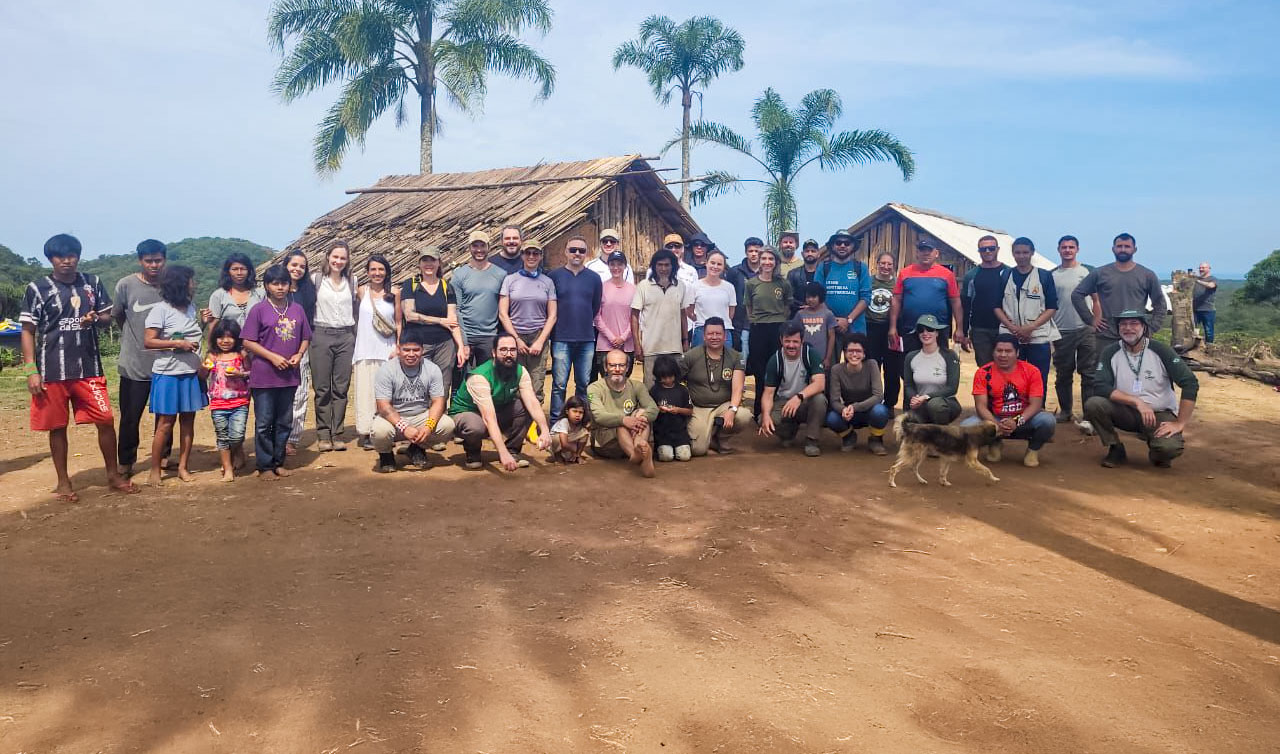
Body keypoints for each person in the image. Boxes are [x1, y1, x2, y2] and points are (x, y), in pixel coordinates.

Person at [20, 233, 138, 501]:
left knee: (106, 421)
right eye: (60, 256)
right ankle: (63, 483)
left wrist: (96, 318)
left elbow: (108, 317)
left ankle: (113, 475)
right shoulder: (37, 288)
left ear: (78, 257)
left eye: (72, 255)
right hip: (52, 371)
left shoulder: (92, 283)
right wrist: (31, 370)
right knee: (57, 426)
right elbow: (28, 331)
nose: (67, 261)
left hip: (89, 369)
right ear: (51, 259)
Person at [1084, 310, 1199, 468]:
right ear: (1118, 329)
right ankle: (1115, 447)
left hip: (1159, 413)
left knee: (1168, 449)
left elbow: (1190, 383)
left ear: (1144, 327)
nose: (1128, 328)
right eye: (1123, 324)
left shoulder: (1160, 350)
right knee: (1094, 404)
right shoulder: (1110, 352)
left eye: (1134, 323)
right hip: (1126, 411)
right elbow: (1100, 386)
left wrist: (1180, 423)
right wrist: (1137, 402)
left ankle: (1157, 450)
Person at [243, 264, 312, 478]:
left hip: (289, 376)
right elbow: (247, 341)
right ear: (266, 286)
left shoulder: (296, 309)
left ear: (290, 286)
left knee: (284, 421)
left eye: (284, 283)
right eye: (275, 283)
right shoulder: (259, 310)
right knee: (264, 422)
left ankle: (278, 461)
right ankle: (264, 465)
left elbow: (306, 336)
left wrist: (299, 354)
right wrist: (272, 357)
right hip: (264, 375)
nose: (280, 287)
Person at [142, 264, 209, 485]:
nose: (194, 284)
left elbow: (193, 336)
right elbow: (149, 341)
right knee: (165, 423)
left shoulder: (190, 307)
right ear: (181, 283)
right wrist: (175, 343)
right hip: (168, 373)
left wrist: (203, 324)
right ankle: (155, 470)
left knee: (188, 422)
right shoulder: (160, 310)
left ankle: (183, 467)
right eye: (191, 280)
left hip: (190, 372)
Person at [449, 333, 553, 471]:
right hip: (467, 414)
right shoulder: (480, 377)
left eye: (512, 350)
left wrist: (545, 431)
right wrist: (501, 453)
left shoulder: (520, 371)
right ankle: (473, 452)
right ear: (493, 353)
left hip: (495, 411)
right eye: (503, 350)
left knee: (525, 406)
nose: (508, 354)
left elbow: (533, 403)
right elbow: (488, 418)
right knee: (475, 426)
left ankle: (513, 451)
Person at [111, 238, 170, 478]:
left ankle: (164, 455)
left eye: (158, 260)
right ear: (140, 261)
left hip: (167, 363)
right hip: (135, 364)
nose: (154, 265)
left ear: (164, 260)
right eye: (149, 261)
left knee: (165, 414)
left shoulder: (171, 285)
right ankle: (125, 461)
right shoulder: (126, 285)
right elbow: (118, 317)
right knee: (130, 417)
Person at [370, 334, 457, 473]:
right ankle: (386, 455)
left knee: (447, 425)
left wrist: (428, 426)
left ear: (422, 350)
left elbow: (438, 401)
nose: (411, 354)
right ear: (399, 350)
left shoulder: (433, 369)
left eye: (416, 350)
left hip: (420, 415)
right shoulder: (386, 370)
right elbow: (383, 406)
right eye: (406, 350)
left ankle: (416, 449)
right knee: (380, 431)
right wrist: (404, 427)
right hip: (392, 417)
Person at [1071, 233, 1166, 355]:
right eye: (1119, 246)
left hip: (1136, 337)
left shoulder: (1147, 275)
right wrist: (1090, 320)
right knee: (1106, 372)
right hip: (1107, 336)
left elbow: (1160, 304)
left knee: (1136, 372)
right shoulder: (1100, 273)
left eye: (1127, 246)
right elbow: (1077, 295)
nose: (1123, 249)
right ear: (1113, 249)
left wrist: (1152, 328)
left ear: (1134, 249)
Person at [970, 334, 1056, 467]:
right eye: (999, 351)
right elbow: (980, 406)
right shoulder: (983, 372)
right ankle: (994, 443)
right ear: (993, 352)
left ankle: (1033, 449)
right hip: (996, 419)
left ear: (1017, 353)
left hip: (1024, 419)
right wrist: (996, 425)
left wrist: (1017, 421)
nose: (1003, 355)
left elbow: (1036, 404)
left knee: (1047, 420)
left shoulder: (1032, 371)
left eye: (1008, 351)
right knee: (968, 425)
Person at [309, 240, 358, 452]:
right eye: (335, 257)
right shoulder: (316, 280)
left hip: (346, 336)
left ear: (347, 261)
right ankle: (322, 433)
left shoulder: (353, 281)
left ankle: (337, 433)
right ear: (328, 256)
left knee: (341, 387)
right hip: (320, 334)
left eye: (342, 258)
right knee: (322, 388)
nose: (338, 261)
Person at [548, 236, 602, 421]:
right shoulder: (554, 276)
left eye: (581, 250)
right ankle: (556, 422)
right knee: (559, 384)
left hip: (586, 339)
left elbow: (595, 307)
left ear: (587, 254)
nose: (577, 253)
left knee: (583, 384)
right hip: (561, 338)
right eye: (573, 250)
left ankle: (580, 420)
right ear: (566, 252)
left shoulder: (594, 278)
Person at [994, 236, 1058, 395]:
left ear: (1032, 253)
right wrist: (1014, 329)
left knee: (1038, 375)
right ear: (1013, 254)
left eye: (1025, 252)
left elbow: (1052, 307)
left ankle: (1038, 410)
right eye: (1017, 252)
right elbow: (996, 306)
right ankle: (1013, 408)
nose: (1021, 256)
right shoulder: (1005, 276)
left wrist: (1030, 328)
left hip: (1037, 335)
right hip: (1010, 335)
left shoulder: (1044, 276)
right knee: (1010, 375)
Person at [401, 246, 465, 400]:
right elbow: (409, 315)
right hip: (418, 344)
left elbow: (452, 320)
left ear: (439, 263)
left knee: (442, 385)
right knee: (417, 383)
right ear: (419, 264)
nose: (428, 264)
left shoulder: (446, 287)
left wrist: (461, 347)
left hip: (444, 344)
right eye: (425, 260)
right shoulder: (411, 285)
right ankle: (419, 420)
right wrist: (440, 321)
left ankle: (438, 421)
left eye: (432, 260)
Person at [498, 240, 557, 405]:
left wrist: (540, 341)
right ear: (522, 255)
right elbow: (503, 313)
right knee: (514, 381)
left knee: (536, 383)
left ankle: (534, 425)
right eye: (528, 253)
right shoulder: (510, 280)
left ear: (540, 256)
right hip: (515, 335)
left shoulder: (547, 282)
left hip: (538, 335)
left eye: (535, 253)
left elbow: (552, 315)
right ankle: (515, 425)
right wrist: (516, 340)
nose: (531, 257)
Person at [889, 236, 967, 357]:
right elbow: (896, 301)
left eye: (929, 250)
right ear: (917, 253)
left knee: (939, 365)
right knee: (910, 364)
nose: (926, 253)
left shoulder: (947, 274)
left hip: (939, 329)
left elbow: (955, 302)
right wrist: (893, 327)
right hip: (910, 328)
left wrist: (960, 328)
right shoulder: (905, 273)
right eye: (922, 250)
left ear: (936, 253)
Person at [352, 254, 400, 450]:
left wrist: (398, 346)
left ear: (386, 272)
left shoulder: (395, 292)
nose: (377, 273)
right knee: (364, 392)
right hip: (364, 348)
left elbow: (398, 322)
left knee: (386, 393)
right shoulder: (361, 291)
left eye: (381, 269)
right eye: (373, 269)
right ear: (367, 272)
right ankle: (366, 431)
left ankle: (385, 429)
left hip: (386, 350)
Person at [758, 323, 828, 457]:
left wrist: (799, 397)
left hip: (804, 401)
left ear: (802, 341)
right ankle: (788, 433)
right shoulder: (775, 360)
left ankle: (812, 441)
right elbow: (768, 393)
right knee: (763, 419)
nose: (791, 345)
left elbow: (820, 384)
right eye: (787, 341)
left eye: (795, 341)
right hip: (783, 403)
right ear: (781, 340)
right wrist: (766, 415)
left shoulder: (810, 355)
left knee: (819, 400)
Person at [679, 317, 744, 456]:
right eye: (710, 334)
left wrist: (732, 410)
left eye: (718, 334)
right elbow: (676, 381)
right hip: (698, 407)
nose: (714, 337)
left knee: (744, 416)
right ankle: (708, 437)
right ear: (704, 336)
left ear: (725, 336)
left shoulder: (735, 356)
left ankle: (720, 437)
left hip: (724, 405)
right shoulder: (691, 356)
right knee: (698, 450)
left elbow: (738, 388)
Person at [586, 348, 657, 477]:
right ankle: (639, 456)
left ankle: (638, 450)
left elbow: (653, 409)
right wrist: (624, 420)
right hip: (606, 442)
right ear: (605, 367)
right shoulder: (594, 388)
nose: (617, 369)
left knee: (642, 414)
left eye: (621, 365)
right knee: (622, 424)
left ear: (627, 367)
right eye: (612, 365)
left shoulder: (637, 386)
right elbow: (599, 416)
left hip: (632, 436)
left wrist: (642, 417)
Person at [1050, 235, 1099, 422]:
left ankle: (1089, 414)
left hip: (1086, 329)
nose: (1067, 250)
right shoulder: (1052, 275)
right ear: (1059, 250)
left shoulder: (1087, 272)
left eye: (1071, 247)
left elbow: (1096, 300)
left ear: (1077, 249)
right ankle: (1066, 411)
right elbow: (1049, 305)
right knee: (1063, 374)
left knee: (1089, 374)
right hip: (1062, 330)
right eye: (1064, 247)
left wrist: (1096, 322)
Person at [745, 248, 793, 420]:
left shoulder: (783, 284)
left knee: (777, 369)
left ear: (776, 262)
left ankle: (775, 409)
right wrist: (757, 321)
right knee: (759, 372)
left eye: (771, 259)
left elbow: (787, 306)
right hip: (758, 330)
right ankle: (758, 411)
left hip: (778, 329)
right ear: (759, 260)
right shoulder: (751, 284)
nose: (767, 262)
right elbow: (748, 307)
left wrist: (778, 320)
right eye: (763, 258)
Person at [632, 248, 690, 388]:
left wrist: (685, 340)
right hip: (651, 348)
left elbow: (683, 315)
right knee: (651, 388)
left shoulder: (680, 286)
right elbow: (634, 316)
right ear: (654, 266)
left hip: (674, 348)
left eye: (667, 265)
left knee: (674, 387)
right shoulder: (643, 286)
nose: (663, 268)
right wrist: (637, 345)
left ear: (673, 267)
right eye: (660, 265)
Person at [451, 230, 508, 370]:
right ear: (469, 248)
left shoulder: (500, 274)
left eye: (482, 246)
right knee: (462, 378)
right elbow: (456, 310)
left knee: (488, 377)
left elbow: (504, 307)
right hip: (466, 334)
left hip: (489, 336)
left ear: (488, 247)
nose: (479, 250)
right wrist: (463, 342)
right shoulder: (459, 275)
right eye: (475, 246)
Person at [825, 334, 890, 454]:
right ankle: (848, 437)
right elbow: (834, 400)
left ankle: (876, 439)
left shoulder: (872, 365)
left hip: (869, 410)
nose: (854, 355)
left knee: (880, 411)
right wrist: (843, 410)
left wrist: (855, 407)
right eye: (850, 351)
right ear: (844, 352)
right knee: (832, 418)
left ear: (864, 353)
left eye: (858, 351)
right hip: (848, 413)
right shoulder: (836, 370)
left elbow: (878, 395)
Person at [205, 318, 250, 481]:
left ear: (237, 338)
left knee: (237, 435)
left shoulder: (241, 354)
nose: (225, 341)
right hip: (218, 403)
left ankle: (238, 452)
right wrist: (204, 368)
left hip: (239, 402)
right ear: (215, 338)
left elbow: (251, 373)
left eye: (230, 337)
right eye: (221, 337)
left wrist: (240, 374)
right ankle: (228, 469)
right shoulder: (212, 356)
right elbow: (202, 376)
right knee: (222, 436)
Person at [281, 249, 316, 455]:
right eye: (294, 265)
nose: (298, 269)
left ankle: (292, 438)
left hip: (301, 348)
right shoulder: (276, 290)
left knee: (300, 394)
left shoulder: (308, 292)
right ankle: (276, 435)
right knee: (279, 394)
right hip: (276, 349)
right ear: (286, 265)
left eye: (302, 266)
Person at [815, 230, 873, 351]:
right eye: (838, 242)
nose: (842, 246)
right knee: (827, 366)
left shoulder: (860, 268)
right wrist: (834, 321)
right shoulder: (823, 267)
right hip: (828, 327)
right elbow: (817, 297)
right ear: (832, 246)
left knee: (856, 366)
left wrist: (848, 320)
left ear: (852, 247)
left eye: (847, 243)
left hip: (856, 327)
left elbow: (865, 298)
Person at [902, 314, 962, 424]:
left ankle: (941, 435)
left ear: (937, 333)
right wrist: (914, 398)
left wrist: (926, 397)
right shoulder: (910, 357)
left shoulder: (950, 355)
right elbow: (908, 385)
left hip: (945, 402)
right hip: (919, 403)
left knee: (935, 405)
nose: (925, 333)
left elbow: (952, 388)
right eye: (921, 330)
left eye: (930, 329)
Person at [960, 235, 1007, 368]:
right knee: (985, 369)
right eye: (983, 249)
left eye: (991, 248)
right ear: (979, 251)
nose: (987, 252)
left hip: (1004, 329)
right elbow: (966, 306)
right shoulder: (971, 276)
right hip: (980, 330)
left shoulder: (1008, 273)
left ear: (997, 249)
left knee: (1006, 368)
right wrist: (964, 333)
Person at [865, 251, 902, 411]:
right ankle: (871, 402)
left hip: (891, 329)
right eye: (883, 263)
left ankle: (890, 403)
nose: (886, 267)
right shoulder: (868, 282)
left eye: (889, 264)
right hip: (870, 327)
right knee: (871, 366)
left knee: (892, 368)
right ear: (877, 264)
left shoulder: (898, 284)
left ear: (893, 266)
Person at [594, 250, 637, 379]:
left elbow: (636, 317)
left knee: (624, 381)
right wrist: (612, 337)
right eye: (612, 264)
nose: (616, 268)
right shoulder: (601, 287)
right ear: (608, 266)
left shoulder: (633, 289)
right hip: (605, 344)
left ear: (625, 266)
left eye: (619, 264)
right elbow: (597, 316)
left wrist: (623, 337)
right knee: (607, 381)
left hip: (627, 345)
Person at [686, 250, 736, 347]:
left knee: (725, 361)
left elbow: (731, 313)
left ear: (723, 267)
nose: (715, 267)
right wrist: (699, 319)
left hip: (724, 331)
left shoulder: (729, 287)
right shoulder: (695, 286)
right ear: (706, 263)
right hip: (701, 331)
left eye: (719, 264)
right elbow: (689, 311)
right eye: (712, 263)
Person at [649, 355, 693, 462]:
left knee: (685, 456)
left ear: (675, 374)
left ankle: (682, 447)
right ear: (658, 376)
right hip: (662, 434)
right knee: (666, 457)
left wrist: (678, 410)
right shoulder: (654, 391)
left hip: (680, 433)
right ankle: (661, 448)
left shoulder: (682, 390)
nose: (668, 380)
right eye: (664, 378)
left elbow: (690, 411)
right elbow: (649, 411)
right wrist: (659, 409)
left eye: (670, 376)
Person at [208, 252, 264, 327]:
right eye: (234, 269)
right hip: (229, 338)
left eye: (243, 269)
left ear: (249, 271)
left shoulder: (260, 294)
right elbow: (213, 324)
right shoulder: (218, 295)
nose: (239, 273)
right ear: (228, 271)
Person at [790, 282, 836, 370]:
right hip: (803, 356)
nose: (810, 300)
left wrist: (828, 358)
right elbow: (795, 335)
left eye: (814, 297)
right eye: (808, 297)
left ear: (820, 297)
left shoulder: (828, 314)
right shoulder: (800, 314)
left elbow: (831, 337)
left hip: (821, 357)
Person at [730, 237, 762, 356]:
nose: (754, 254)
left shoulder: (768, 273)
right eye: (751, 251)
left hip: (761, 325)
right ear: (745, 252)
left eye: (757, 251)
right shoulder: (735, 272)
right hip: (739, 325)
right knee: (741, 362)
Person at [550, 394, 592, 464]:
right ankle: (558, 457)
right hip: (556, 445)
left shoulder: (580, 423)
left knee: (585, 433)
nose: (578, 415)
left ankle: (578, 456)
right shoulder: (564, 421)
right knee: (556, 438)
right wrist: (575, 449)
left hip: (569, 445)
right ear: (567, 411)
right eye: (575, 411)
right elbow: (564, 443)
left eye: (580, 412)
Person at [786, 239, 822, 316]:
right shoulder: (793, 274)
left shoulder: (825, 273)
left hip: (822, 317)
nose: (810, 253)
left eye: (813, 251)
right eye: (807, 251)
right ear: (802, 254)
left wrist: (816, 306)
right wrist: (805, 306)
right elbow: (788, 297)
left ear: (818, 254)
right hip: (799, 317)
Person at [1193, 262, 1218, 343]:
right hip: (1195, 309)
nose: (1201, 269)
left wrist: (1198, 281)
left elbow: (1211, 285)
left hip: (1208, 309)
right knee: (1192, 329)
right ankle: (1194, 345)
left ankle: (1209, 347)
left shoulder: (1212, 279)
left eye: (1203, 268)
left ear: (1208, 268)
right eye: (1200, 268)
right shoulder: (1195, 279)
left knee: (1208, 331)